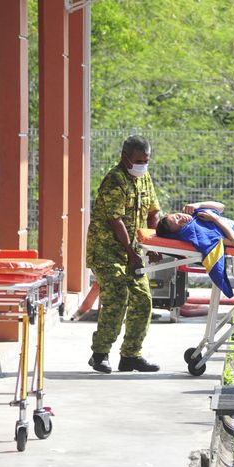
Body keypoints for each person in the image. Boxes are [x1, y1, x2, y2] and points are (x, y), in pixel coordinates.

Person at [86, 135, 161, 374]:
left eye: (146, 160)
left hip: (134, 251)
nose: (143, 165)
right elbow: (115, 220)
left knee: (143, 299)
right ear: (125, 158)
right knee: (117, 296)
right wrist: (130, 251)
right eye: (139, 160)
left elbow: (153, 212)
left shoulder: (145, 178)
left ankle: (131, 355)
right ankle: (100, 354)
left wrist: (154, 243)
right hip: (107, 250)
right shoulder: (114, 180)